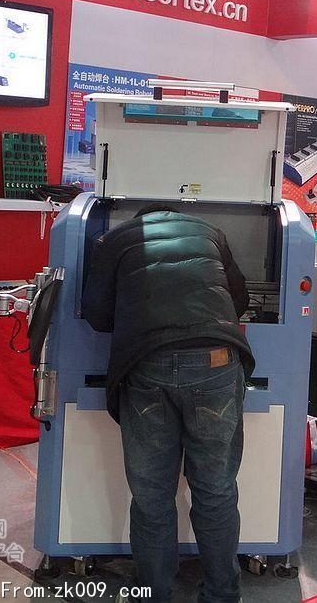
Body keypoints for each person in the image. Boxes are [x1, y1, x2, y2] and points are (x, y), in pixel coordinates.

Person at [82, 203, 253, 603]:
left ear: (140, 219)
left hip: (148, 363)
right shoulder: (210, 232)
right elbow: (240, 300)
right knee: (215, 490)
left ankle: (153, 594)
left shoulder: (115, 239)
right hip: (216, 361)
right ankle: (223, 594)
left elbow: (96, 314)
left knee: (152, 494)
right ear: (177, 217)